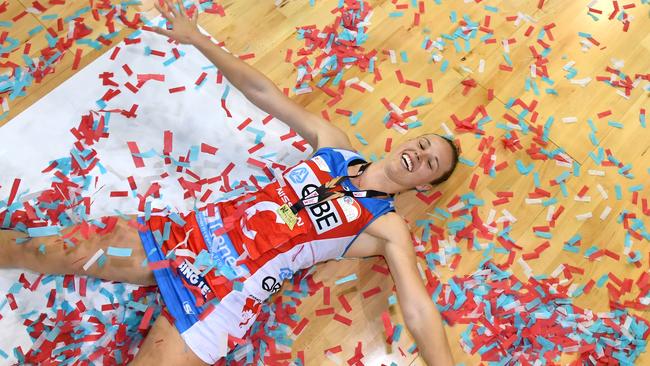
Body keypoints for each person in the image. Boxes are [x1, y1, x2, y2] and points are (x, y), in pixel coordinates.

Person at [0, 0, 459, 365]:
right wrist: (197, 39)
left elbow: (417, 309)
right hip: (180, 239)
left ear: (423, 186)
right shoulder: (334, 145)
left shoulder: (387, 225)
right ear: (405, 138)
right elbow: (264, 94)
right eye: (422, 145)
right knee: (42, 247)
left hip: (220, 302)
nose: (419, 156)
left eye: (429, 164)